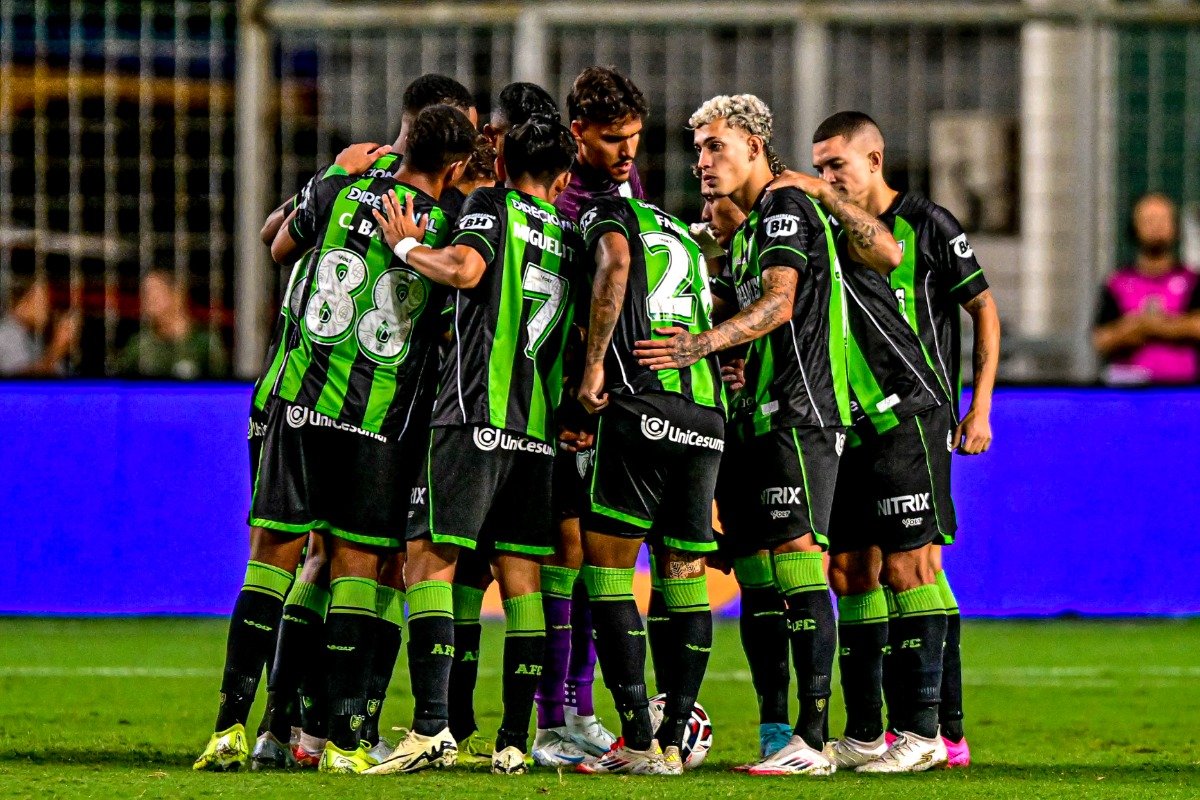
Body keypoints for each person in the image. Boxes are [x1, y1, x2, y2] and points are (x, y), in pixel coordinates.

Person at [192, 104, 478, 774]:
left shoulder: (341, 190)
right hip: (376, 421)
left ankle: (230, 731)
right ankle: (344, 744)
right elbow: (453, 314)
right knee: (357, 572)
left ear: (405, 139)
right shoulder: (449, 226)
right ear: (458, 164)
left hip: (299, 405)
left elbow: (277, 245)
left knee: (270, 565)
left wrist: (329, 178)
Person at [634, 94, 902, 777]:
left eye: (715, 146)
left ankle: (812, 741)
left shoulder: (784, 206)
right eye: (697, 149)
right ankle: (782, 730)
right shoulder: (751, 226)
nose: (701, 162)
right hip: (760, 413)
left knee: (798, 558)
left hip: (801, 413)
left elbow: (780, 303)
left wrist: (702, 343)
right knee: (761, 570)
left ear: (754, 147)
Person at [774, 110, 999, 770]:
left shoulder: (927, 224)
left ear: (874, 161)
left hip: (915, 414)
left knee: (914, 566)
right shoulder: (828, 229)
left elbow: (983, 310)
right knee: (852, 569)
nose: (826, 175)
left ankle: (935, 731)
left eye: (837, 164)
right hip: (848, 421)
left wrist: (979, 408)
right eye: (819, 165)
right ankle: (874, 730)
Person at [367, 115, 581, 776]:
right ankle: (515, 739)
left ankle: (432, 726)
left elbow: (463, 270)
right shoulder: (571, 234)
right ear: (564, 178)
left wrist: (406, 247)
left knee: (429, 559)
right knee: (522, 581)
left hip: (473, 414)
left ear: (505, 162)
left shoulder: (491, 203)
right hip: (536, 431)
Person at [569, 193, 725, 776]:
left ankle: (637, 740)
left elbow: (614, 262)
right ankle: (674, 740)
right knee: (685, 578)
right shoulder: (682, 232)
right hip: (706, 415)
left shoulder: (606, 215)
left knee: (608, 574)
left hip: (641, 405)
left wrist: (593, 364)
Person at [534, 67, 650, 766]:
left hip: (601, 402)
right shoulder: (563, 197)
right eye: (613, 139)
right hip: (557, 400)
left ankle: (578, 712)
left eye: (634, 137)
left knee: (585, 560)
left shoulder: (622, 190)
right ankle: (550, 720)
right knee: (561, 557)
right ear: (577, 133)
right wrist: (582, 376)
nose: (628, 151)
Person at [1094, 192, 1200, 384]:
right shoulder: (1117, 283)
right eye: (1149, 220)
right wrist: (1138, 328)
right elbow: (1102, 339)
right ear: (1134, 227)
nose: (1156, 226)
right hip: (1129, 391)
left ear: (1175, 227)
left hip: (1184, 391)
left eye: (1163, 220)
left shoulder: (1192, 281)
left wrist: (1151, 325)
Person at [116, 270, 227, 379]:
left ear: (177, 296)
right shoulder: (139, 344)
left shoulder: (205, 342)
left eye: (155, 293)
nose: (148, 300)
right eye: (145, 294)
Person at [0, 276, 77, 376]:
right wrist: (57, 348)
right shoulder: (6, 333)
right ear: (26, 300)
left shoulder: (31, 334)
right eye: (44, 301)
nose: (48, 309)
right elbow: (22, 379)